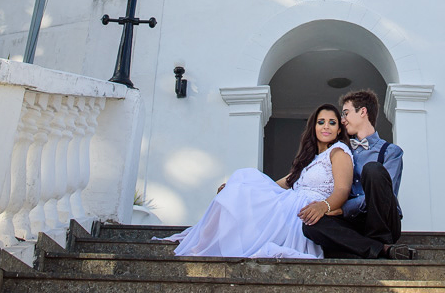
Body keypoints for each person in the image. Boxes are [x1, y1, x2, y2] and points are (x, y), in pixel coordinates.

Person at [164, 103, 354, 259]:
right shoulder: (310, 159)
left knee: (247, 183)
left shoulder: (338, 152)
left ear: (339, 130)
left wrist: (323, 207)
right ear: (314, 127)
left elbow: (343, 190)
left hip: (308, 210)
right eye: (321, 122)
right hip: (289, 203)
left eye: (332, 122)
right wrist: (235, 188)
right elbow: (281, 183)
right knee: (245, 178)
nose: (326, 126)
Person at [302, 89, 415, 260]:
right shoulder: (342, 151)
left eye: (346, 113)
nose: (342, 120)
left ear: (363, 112)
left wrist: (342, 208)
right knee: (310, 226)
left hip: (382, 222)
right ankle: (380, 250)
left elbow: (386, 195)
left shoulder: (391, 151)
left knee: (373, 169)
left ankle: (373, 243)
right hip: (354, 223)